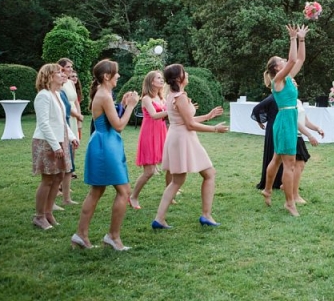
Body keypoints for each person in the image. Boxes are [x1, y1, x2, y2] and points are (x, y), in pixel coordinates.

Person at [71, 59, 139, 251]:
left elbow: (112, 119)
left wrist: (124, 105)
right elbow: (118, 126)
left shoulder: (104, 93)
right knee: (124, 191)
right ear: (107, 76)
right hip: (105, 146)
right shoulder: (104, 95)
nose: (118, 75)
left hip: (105, 143)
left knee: (97, 191)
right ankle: (112, 237)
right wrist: (132, 106)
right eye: (116, 73)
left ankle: (81, 235)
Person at [151, 64, 228, 230]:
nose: (187, 74)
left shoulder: (173, 95)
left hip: (177, 136)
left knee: (178, 180)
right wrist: (215, 128)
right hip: (184, 138)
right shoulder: (181, 96)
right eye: (184, 72)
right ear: (179, 78)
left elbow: (184, 120)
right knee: (209, 173)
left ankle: (159, 219)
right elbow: (190, 124)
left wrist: (208, 116)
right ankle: (206, 215)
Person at [260, 24, 308, 216]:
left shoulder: (287, 78)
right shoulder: (278, 79)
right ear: (276, 67)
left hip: (286, 120)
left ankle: (267, 189)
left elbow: (300, 59)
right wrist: (292, 38)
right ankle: (289, 203)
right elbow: (293, 58)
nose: (285, 60)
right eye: (281, 60)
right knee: (289, 164)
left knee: (277, 159)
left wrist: (302, 39)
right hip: (285, 122)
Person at [31, 63, 72, 230]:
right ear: (49, 76)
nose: (62, 75)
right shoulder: (43, 96)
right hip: (46, 142)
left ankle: (48, 212)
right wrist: (56, 146)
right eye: (58, 72)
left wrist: (72, 136)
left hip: (60, 140)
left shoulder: (57, 94)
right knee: (48, 179)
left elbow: (61, 121)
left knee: (59, 177)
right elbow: (44, 123)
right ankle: (39, 216)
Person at [129, 70, 169, 210]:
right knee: (149, 171)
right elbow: (154, 115)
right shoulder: (146, 98)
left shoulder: (162, 98)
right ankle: (133, 196)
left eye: (162, 78)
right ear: (152, 81)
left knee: (169, 164)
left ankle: (169, 194)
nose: (161, 80)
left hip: (161, 132)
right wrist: (172, 110)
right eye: (158, 78)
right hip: (149, 134)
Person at [57, 58, 83, 206]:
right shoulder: (59, 87)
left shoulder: (69, 83)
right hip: (66, 119)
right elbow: (65, 108)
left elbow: (75, 102)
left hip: (72, 120)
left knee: (72, 152)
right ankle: (58, 188)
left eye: (71, 67)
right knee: (64, 156)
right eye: (68, 67)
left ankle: (65, 190)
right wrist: (76, 115)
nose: (70, 70)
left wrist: (79, 120)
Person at [291, 99, 325, 205]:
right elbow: (294, 121)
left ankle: (287, 185)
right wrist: (309, 136)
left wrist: (317, 128)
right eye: (291, 81)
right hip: (292, 135)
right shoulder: (288, 101)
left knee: (300, 164)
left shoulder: (298, 101)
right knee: (298, 164)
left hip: (298, 135)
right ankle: (294, 195)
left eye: (295, 81)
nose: (294, 83)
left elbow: (305, 121)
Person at [251, 94, 283, 190]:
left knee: (280, 154)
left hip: (279, 126)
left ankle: (280, 180)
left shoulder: (281, 96)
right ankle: (272, 182)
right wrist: (259, 122)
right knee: (273, 153)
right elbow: (256, 108)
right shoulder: (273, 97)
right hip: (273, 127)